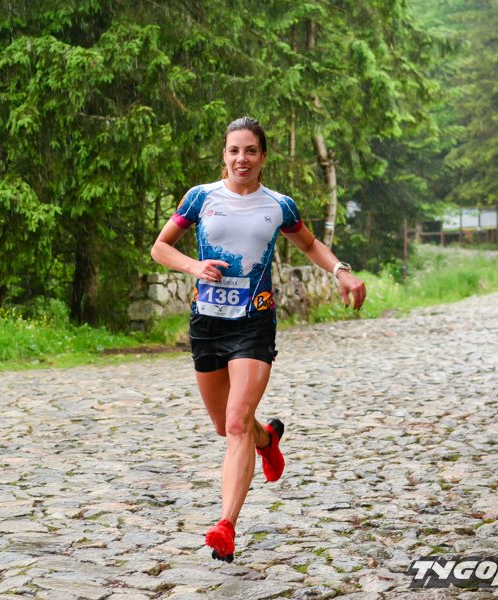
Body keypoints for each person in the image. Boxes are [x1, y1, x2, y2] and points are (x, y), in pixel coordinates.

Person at [150, 116, 366, 563]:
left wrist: (341, 271)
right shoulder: (201, 198)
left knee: (235, 423)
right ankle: (267, 440)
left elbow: (309, 245)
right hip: (207, 323)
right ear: (224, 155)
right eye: (234, 150)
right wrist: (193, 266)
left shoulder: (279, 205)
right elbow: (160, 247)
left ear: (263, 157)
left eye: (250, 150)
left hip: (254, 323)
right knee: (227, 426)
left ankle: (225, 526)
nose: (241, 159)